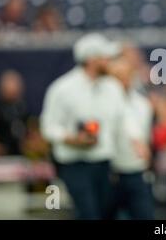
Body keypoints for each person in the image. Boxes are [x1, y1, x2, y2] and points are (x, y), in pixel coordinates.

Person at [40, 33, 126, 220]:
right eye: (105, 57)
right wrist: (72, 138)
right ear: (91, 59)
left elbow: (122, 123)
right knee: (88, 214)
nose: (109, 61)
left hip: (105, 165)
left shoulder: (113, 87)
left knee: (105, 213)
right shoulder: (62, 89)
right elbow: (48, 126)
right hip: (74, 164)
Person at [108, 57, 155, 220]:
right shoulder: (103, 105)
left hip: (136, 173)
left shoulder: (143, 104)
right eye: (117, 75)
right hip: (109, 173)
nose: (123, 79)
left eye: (126, 75)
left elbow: (145, 138)